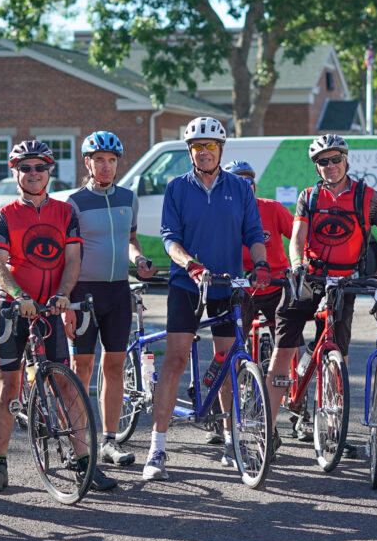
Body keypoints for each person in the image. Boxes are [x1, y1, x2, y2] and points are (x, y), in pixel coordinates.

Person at [144, 116, 269, 481]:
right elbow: (170, 238)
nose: (204, 153)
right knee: (177, 358)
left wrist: (260, 263)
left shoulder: (240, 189)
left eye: (210, 147)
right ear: (190, 152)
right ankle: (157, 447)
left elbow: (253, 232)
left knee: (230, 363)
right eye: (197, 147)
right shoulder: (176, 188)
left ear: (221, 150)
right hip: (188, 285)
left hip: (226, 286)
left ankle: (231, 440)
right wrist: (191, 265)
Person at [263, 134, 377, 444]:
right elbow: (296, 237)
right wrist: (296, 263)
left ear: (346, 159)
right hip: (309, 278)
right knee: (282, 352)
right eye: (323, 161)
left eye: (336, 159)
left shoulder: (367, 198)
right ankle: (268, 428)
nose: (330, 165)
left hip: (344, 283)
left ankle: (335, 431)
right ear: (316, 167)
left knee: (340, 355)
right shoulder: (309, 196)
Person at [0, 140, 88, 492]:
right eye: (24, 168)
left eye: (39, 167)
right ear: (14, 173)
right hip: (13, 306)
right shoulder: (5, 215)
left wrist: (63, 295)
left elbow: (72, 260)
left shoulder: (65, 212)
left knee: (64, 383)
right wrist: (18, 295)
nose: (33, 174)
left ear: (49, 171)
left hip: (50, 305)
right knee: (7, 387)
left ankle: (85, 460)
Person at [64, 131, 156, 483]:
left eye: (112, 160)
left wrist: (140, 260)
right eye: (99, 160)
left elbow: (129, 240)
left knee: (114, 365)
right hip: (84, 292)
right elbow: (68, 255)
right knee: (81, 369)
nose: (106, 166)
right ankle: (79, 443)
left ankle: (109, 441)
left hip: (118, 291)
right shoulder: (73, 203)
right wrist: (68, 301)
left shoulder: (128, 198)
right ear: (87, 162)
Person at [223, 159, 293, 459]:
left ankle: (293, 397)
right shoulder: (223, 214)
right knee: (231, 352)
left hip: (275, 284)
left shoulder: (273, 208)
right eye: (239, 180)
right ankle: (230, 423)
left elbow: (299, 237)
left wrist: (301, 265)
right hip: (242, 288)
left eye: (249, 179)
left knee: (290, 343)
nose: (246, 184)